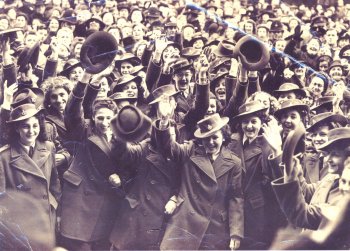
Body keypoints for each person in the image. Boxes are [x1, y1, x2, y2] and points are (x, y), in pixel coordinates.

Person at [157, 104, 244, 250]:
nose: (210, 142)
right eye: (206, 138)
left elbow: (236, 198)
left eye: (215, 137)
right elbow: (169, 149)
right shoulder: (190, 150)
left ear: (223, 138)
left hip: (214, 226)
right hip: (184, 222)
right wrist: (164, 122)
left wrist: (236, 233)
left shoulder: (234, 162)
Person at [59, 71, 124, 250]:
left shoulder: (122, 139)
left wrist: (120, 179)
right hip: (80, 201)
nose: (104, 122)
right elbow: (72, 111)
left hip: (106, 201)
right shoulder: (84, 131)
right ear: (93, 118)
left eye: (108, 118)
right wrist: (87, 79)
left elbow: (130, 167)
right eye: (100, 117)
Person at [0, 103, 61, 234]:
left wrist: (56, 208)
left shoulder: (49, 147)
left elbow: (55, 183)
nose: (31, 131)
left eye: (35, 126)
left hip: (47, 215)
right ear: (17, 129)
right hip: (21, 220)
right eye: (25, 126)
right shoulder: (4, 157)